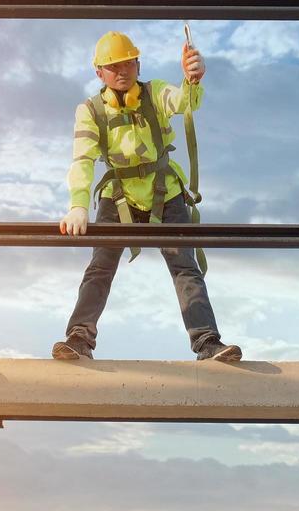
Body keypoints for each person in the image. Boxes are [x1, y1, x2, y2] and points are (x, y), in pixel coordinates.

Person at [53, 31, 241, 362]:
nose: (122, 71)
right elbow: (81, 159)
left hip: (164, 193)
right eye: (113, 66)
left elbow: (185, 102)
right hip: (118, 197)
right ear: (99, 73)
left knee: (185, 266)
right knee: (100, 266)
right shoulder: (91, 110)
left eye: (128, 63)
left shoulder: (154, 93)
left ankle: (207, 342)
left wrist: (192, 79)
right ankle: (78, 338)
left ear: (138, 63)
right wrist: (77, 207)